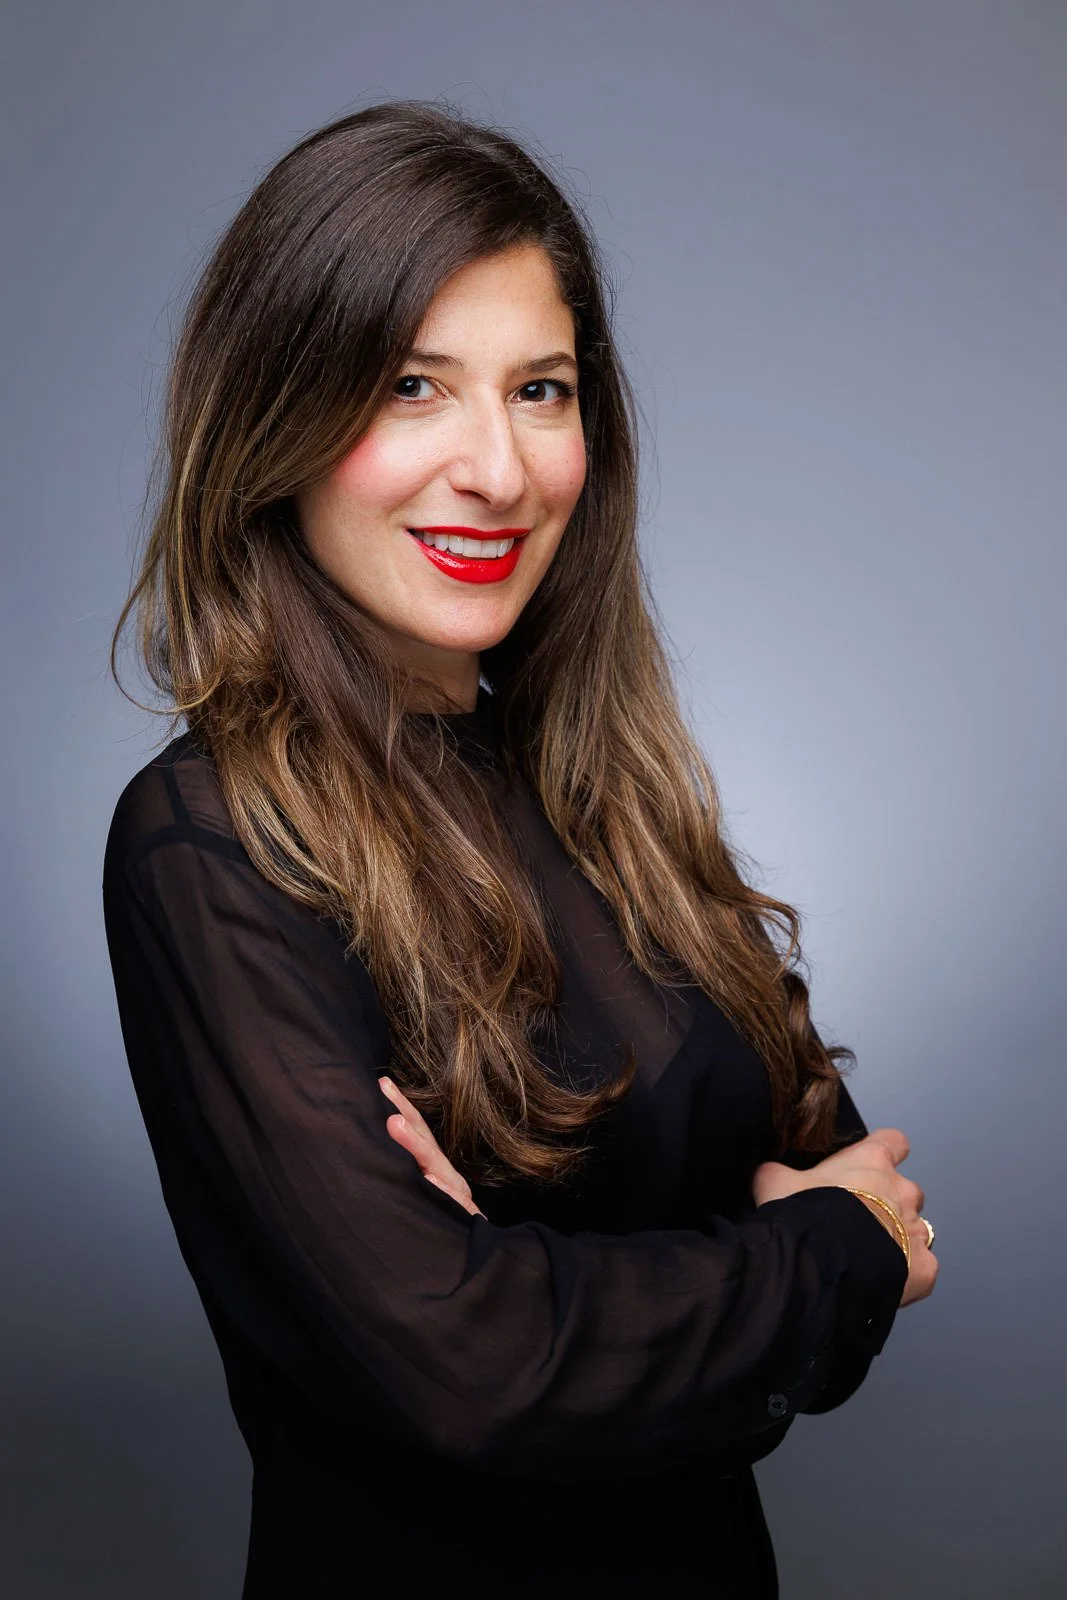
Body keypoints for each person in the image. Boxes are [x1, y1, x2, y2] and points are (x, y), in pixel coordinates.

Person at [101, 99, 937, 1599]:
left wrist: (560, 1288)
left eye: (539, 389)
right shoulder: (211, 841)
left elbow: (825, 1155)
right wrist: (815, 1264)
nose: (496, 467)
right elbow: (478, 1369)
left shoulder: (601, 788)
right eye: (413, 386)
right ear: (276, 418)